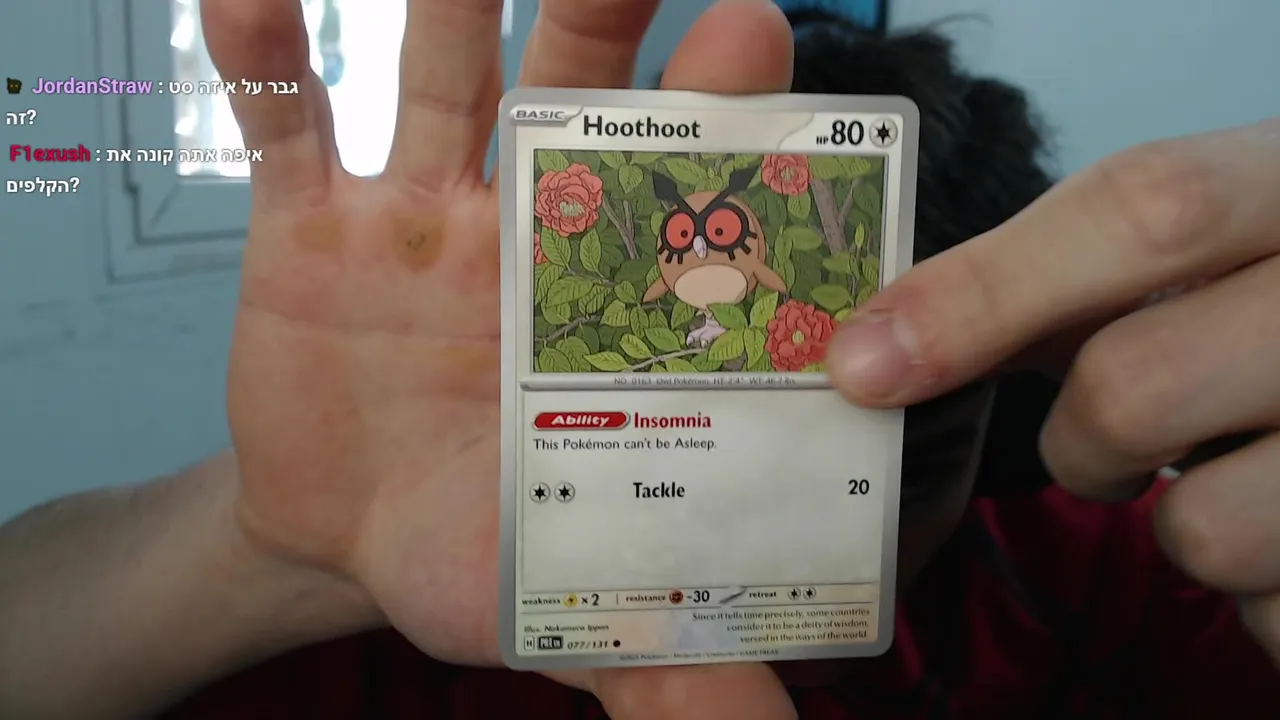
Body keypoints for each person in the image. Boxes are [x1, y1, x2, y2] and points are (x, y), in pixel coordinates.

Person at [1, 1, 1278, 718]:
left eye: (905, 450)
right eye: (729, 421)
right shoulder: (446, 566)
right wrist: (257, 554)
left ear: (996, 445)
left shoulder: (1093, 566)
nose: (789, 516)